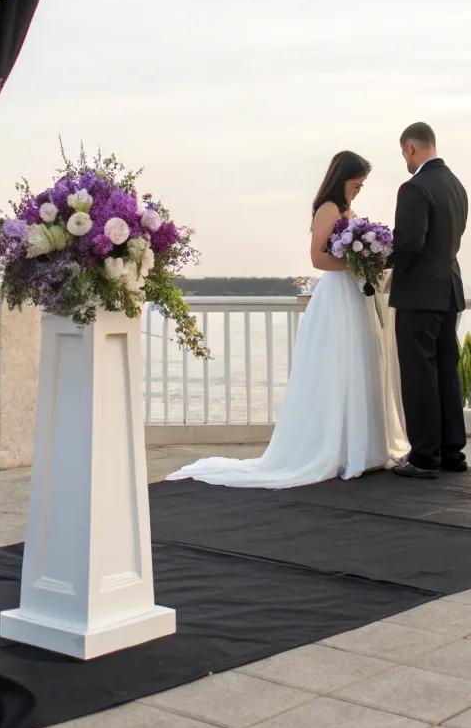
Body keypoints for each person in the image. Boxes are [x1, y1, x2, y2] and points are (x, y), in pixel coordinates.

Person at [167, 151, 408, 487]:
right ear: (343, 178)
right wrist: (357, 264)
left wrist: (369, 262)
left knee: (360, 363)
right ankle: (336, 448)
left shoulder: (346, 210)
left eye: (362, 185)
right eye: (356, 183)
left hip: (355, 296)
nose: (359, 190)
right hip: (337, 297)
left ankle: (362, 445)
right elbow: (317, 258)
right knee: (340, 366)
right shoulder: (328, 208)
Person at [389, 122, 469, 478]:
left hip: (419, 294)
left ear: (410, 148)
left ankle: (423, 456)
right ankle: (453, 452)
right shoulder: (456, 186)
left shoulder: (414, 188)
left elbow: (408, 244)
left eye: (403, 154)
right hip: (448, 289)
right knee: (446, 372)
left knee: (420, 375)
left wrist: (380, 262)